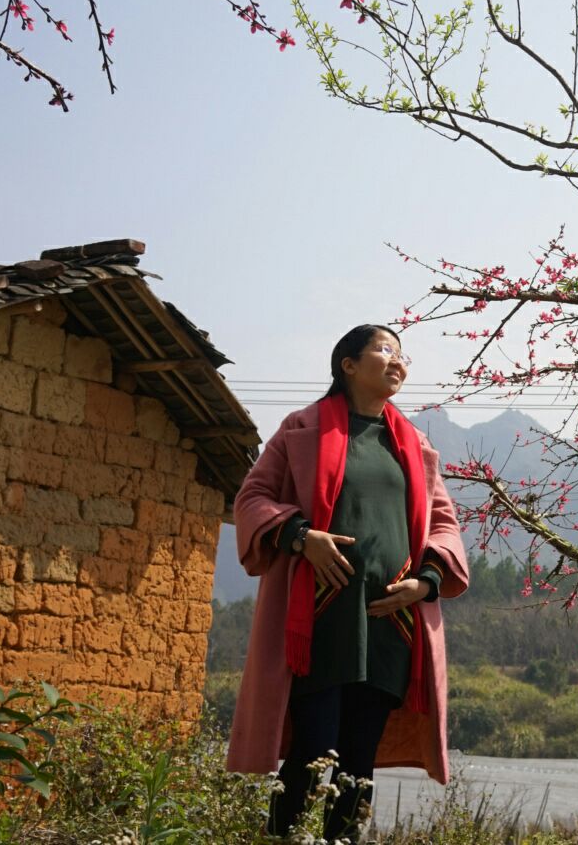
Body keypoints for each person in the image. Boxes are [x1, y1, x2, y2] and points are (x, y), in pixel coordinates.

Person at [226, 324, 469, 840]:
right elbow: (251, 498)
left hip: (389, 625)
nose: (397, 361)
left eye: (403, 355)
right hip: (319, 620)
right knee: (312, 751)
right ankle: (282, 837)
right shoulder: (303, 428)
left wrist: (425, 582)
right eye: (384, 350)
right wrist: (300, 536)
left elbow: (444, 525)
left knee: (359, 762)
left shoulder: (416, 446)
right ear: (348, 365)